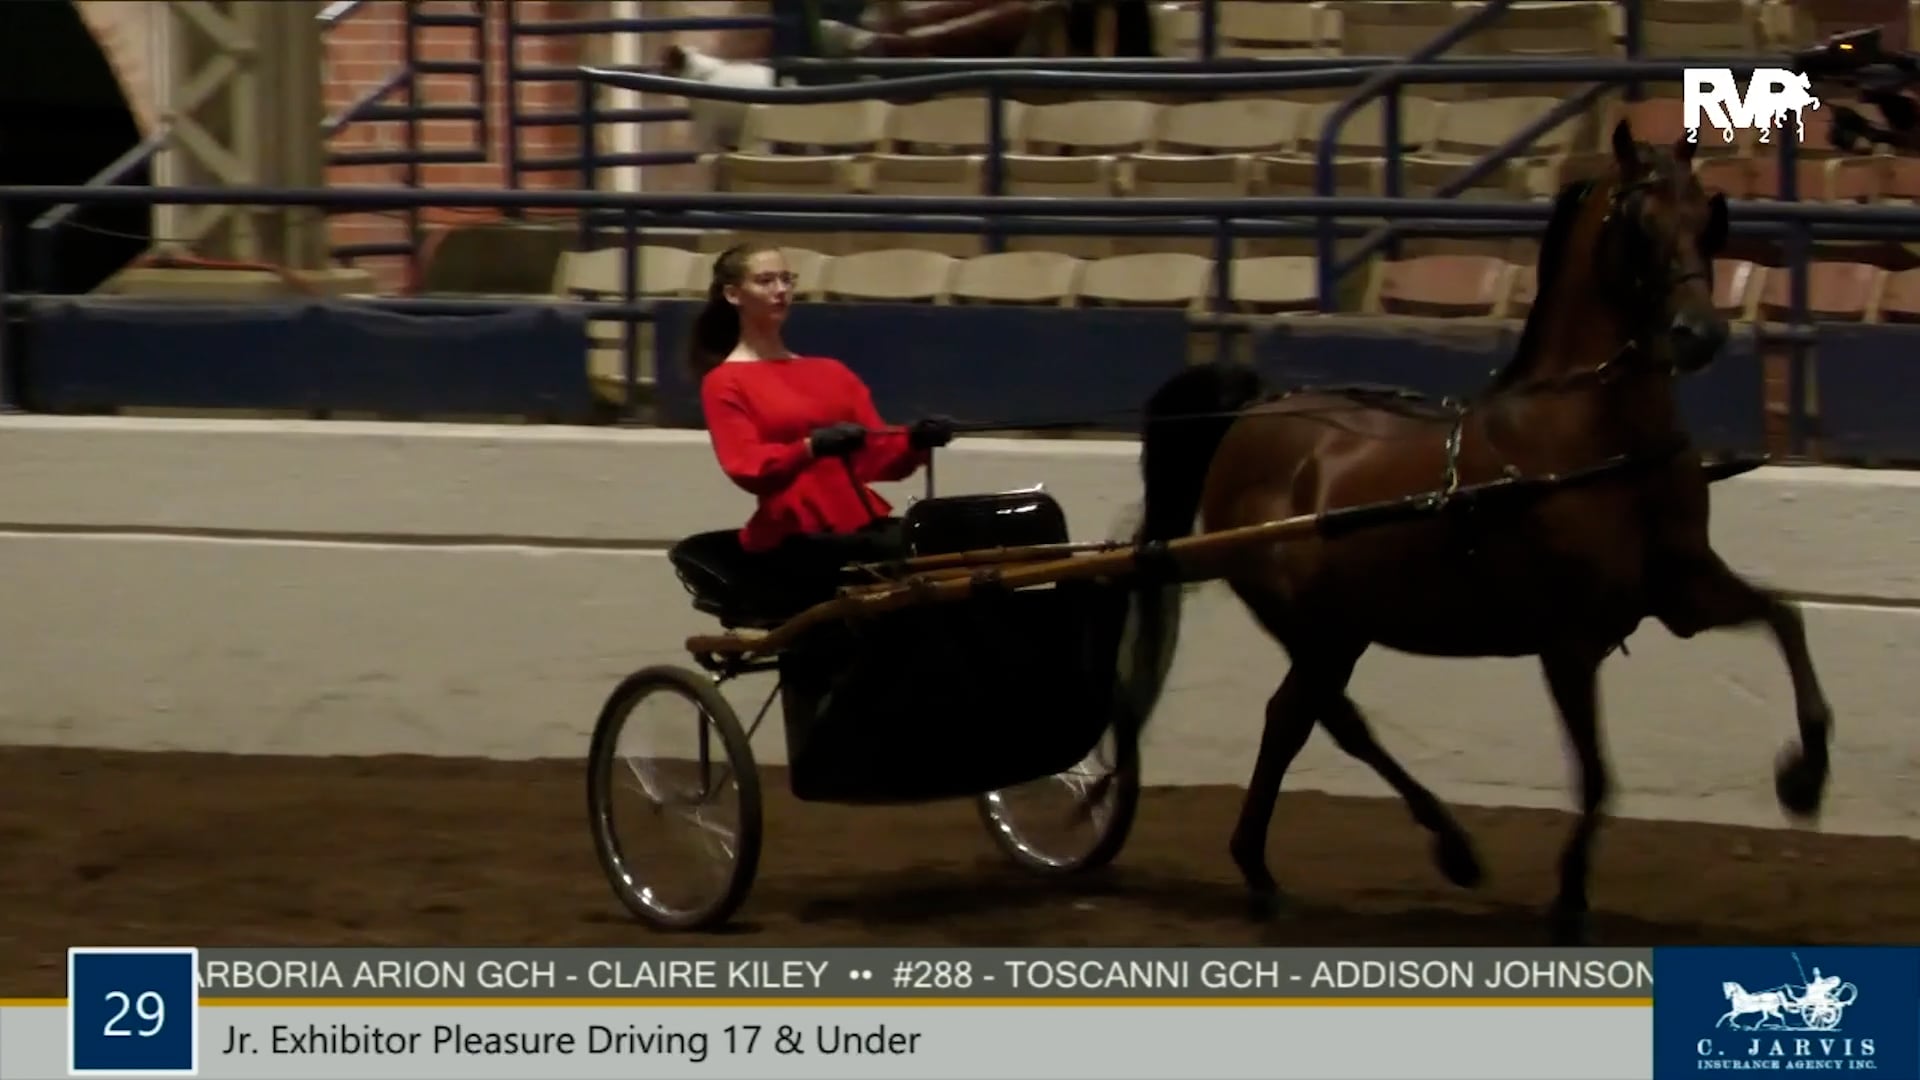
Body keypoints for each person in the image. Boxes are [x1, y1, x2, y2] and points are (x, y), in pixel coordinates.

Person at [692, 242, 954, 594]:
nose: (781, 291)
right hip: (794, 534)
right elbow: (747, 466)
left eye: (787, 280)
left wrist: (914, 441)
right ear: (733, 294)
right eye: (766, 281)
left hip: (855, 524)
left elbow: (877, 455)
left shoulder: (830, 372)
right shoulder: (724, 381)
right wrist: (809, 448)